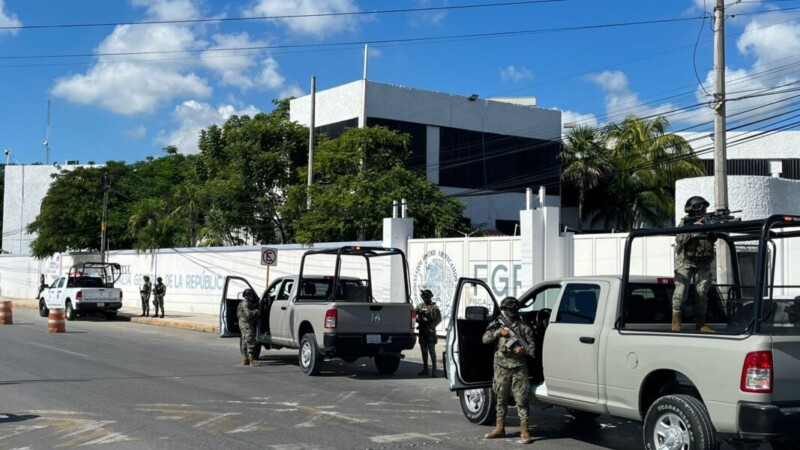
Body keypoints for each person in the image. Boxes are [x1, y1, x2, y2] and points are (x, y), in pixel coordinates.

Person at [482, 296, 536, 444]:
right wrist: (499, 332)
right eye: (508, 308)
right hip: (501, 367)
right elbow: (485, 339)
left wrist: (523, 351)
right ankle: (500, 428)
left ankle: (524, 430)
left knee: (522, 400)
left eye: (514, 308)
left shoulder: (524, 328)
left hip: (519, 367)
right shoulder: (498, 324)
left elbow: (532, 347)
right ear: (504, 309)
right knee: (501, 398)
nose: (511, 311)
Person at [672, 196, 717, 332]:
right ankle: (676, 321)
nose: (703, 210)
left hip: (703, 261)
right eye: (701, 208)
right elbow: (679, 238)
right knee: (681, 289)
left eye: (705, 208)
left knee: (702, 291)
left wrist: (709, 228)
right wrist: (694, 227)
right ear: (694, 209)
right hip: (686, 261)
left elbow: (714, 237)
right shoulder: (685, 223)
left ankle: (701, 323)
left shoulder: (708, 221)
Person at [415, 289, 442, 377]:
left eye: (425, 296)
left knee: (431, 352)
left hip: (430, 332)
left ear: (429, 297)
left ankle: (434, 370)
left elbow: (439, 319)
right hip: (422, 331)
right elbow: (413, 314)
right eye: (423, 296)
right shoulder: (420, 306)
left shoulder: (434, 308)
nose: (424, 298)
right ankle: (425, 369)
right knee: (424, 352)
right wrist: (417, 320)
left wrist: (432, 326)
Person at [237, 288, 261, 366]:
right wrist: (257, 312)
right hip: (245, 323)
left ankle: (245, 359)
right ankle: (252, 359)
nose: (252, 296)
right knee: (250, 339)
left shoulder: (247, 303)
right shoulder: (245, 303)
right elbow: (248, 314)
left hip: (244, 323)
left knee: (244, 340)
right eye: (251, 295)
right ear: (247, 296)